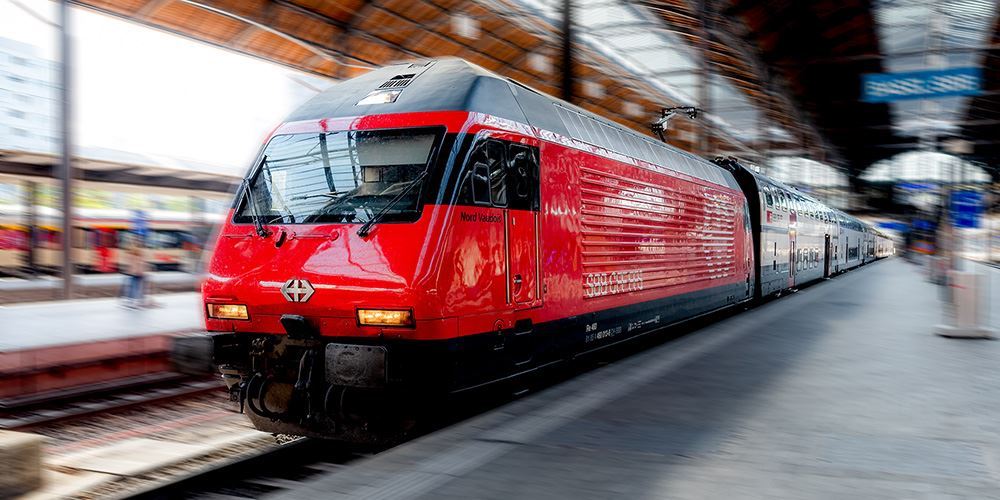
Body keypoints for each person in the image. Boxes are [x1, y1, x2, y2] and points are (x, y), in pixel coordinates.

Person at [121, 237, 147, 308]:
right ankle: (140, 300)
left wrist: (128, 270)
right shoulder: (141, 252)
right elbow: (142, 263)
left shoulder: (129, 252)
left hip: (132, 272)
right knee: (139, 287)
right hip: (139, 272)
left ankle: (130, 300)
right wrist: (142, 271)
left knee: (132, 287)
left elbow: (128, 262)